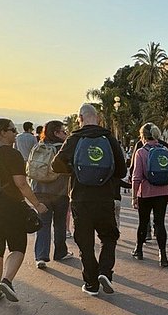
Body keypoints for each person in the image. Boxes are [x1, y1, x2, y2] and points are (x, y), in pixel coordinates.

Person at [0, 118, 48, 303]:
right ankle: (7, 280)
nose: (15, 133)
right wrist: (37, 204)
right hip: (10, 207)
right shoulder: (12, 155)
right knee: (17, 247)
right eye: (12, 130)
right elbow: (21, 184)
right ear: (3, 133)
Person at [53, 103, 125, 296]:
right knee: (109, 237)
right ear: (98, 118)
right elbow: (122, 170)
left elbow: (55, 165)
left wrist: (75, 170)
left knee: (85, 242)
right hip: (104, 198)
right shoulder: (109, 138)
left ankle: (91, 283)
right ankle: (105, 272)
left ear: (80, 118)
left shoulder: (75, 138)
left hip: (80, 198)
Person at [27, 121, 71, 269]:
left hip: (39, 190)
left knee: (43, 224)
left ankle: (41, 256)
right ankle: (60, 252)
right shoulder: (63, 150)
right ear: (56, 133)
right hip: (60, 192)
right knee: (59, 224)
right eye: (63, 132)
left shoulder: (38, 146)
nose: (66, 134)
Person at [131, 123, 168, 266]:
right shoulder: (165, 150)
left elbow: (136, 176)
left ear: (143, 136)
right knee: (160, 223)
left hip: (146, 192)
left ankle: (139, 250)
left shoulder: (141, 152)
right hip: (162, 191)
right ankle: (163, 255)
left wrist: (134, 196)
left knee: (143, 222)